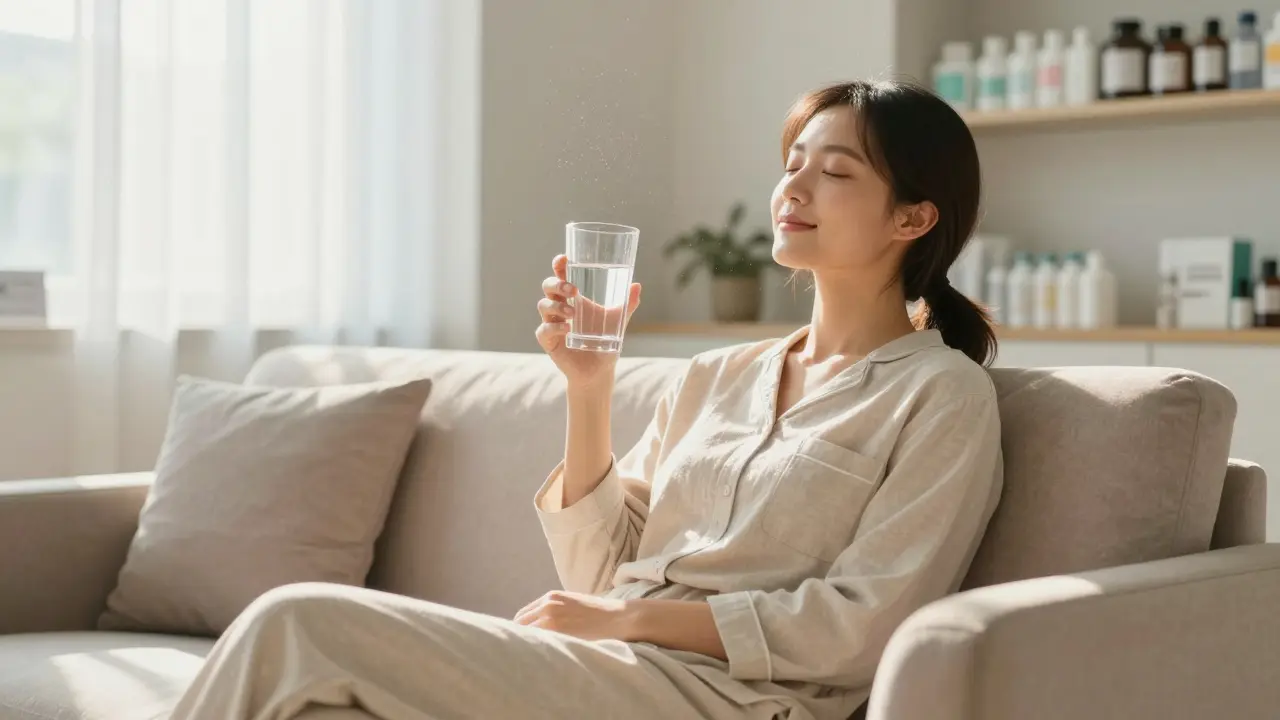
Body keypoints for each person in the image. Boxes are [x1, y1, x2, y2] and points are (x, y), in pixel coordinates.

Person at [169, 79, 1004, 720]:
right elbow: (604, 572)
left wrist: (632, 623)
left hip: (733, 700)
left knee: (300, 621)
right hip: (618, 671)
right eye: (792, 165)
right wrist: (589, 390)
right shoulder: (717, 375)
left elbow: (861, 625)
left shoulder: (941, 396)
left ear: (912, 218)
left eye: (835, 173)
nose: (794, 189)